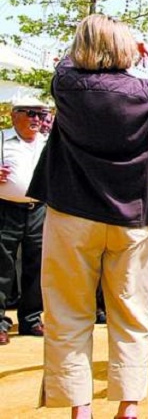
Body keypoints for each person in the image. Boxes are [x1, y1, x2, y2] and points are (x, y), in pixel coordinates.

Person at [28, 14, 148, 419]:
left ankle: (81, 409)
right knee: (131, 313)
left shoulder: (67, 86)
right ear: (125, 49)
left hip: (72, 213)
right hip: (134, 219)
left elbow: (66, 63)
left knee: (69, 313)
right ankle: (128, 406)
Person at [0, 95, 49, 345]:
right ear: (14, 115)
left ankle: (31, 319)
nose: (36, 119)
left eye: (41, 114)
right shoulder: (1, 139)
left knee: (37, 265)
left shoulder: (49, 142)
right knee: (2, 266)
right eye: (30, 113)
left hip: (39, 209)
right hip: (5, 209)